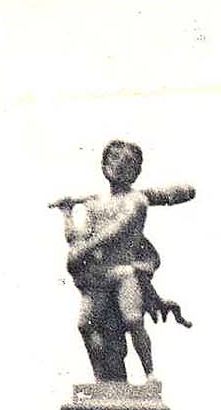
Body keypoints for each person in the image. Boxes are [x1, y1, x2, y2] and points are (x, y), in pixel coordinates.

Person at [53, 139, 196, 382]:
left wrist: (85, 248)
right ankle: (102, 380)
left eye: (129, 166)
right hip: (99, 275)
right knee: (86, 325)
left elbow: (118, 230)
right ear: (104, 167)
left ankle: (150, 374)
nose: (120, 169)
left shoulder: (136, 200)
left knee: (133, 321)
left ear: (136, 172)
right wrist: (67, 213)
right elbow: (76, 238)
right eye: (115, 163)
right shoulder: (95, 204)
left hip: (124, 272)